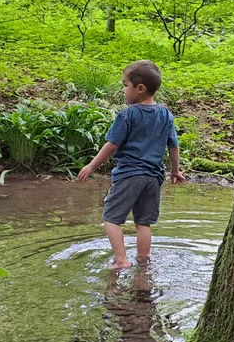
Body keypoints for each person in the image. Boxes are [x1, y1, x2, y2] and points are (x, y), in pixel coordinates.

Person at [77, 60, 185, 268]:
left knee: (111, 218)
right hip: (154, 177)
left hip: (129, 174)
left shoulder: (127, 115)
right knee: (143, 222)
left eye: (125, 85)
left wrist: (91, 166)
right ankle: (143, 262)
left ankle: (121, 260)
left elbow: (112, 145)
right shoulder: (166, 115)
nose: (123, 90)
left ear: (140, 88)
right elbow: (174, 146)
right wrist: (175, 171)